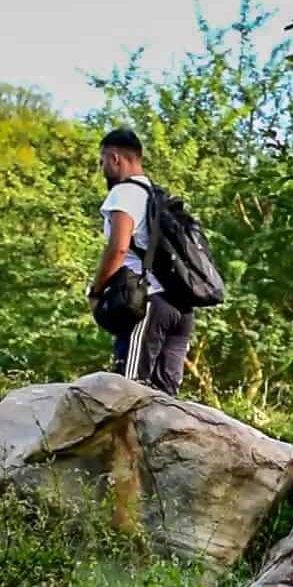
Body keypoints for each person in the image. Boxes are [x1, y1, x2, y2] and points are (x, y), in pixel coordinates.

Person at [85, 127, 194, 395]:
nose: (101, 169)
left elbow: (118, 248)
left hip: (149, 303)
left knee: (127, 392)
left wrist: (96, 290)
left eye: (102, 162)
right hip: (182, 307)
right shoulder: (157, 196)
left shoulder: (124, 193)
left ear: (115, 158)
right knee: (166, 397)